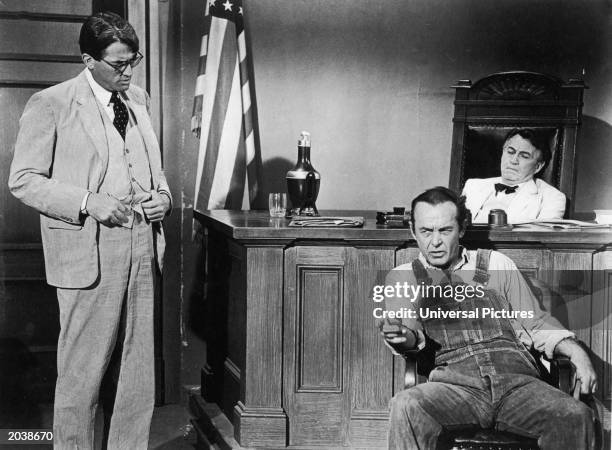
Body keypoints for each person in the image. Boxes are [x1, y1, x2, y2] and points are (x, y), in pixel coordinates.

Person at [8, 12, 171, 449]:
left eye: (132, 60)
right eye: (118, 64)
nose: (128, 71)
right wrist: (87, 201)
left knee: (137, 374)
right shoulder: (52, 103)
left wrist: (164, 197)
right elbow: (23, 179)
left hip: (141, 246)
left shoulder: (139, 98)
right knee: (82, 375)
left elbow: (154, 168)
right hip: (88, 251)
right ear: (87, 60)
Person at [381, 187, 597, 450]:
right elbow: (408, 333)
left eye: (445, 230)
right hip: (455, 388)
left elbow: (538, 324)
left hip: (518, 386)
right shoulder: (403, 277)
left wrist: (578, 355)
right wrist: (404, 336)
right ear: (413, 231)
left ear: (461, 229)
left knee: (575, 415)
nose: (435, 241)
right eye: (426, 231)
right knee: (405, 406)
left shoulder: (498, 263)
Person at [462, 128, 566, 223]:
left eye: (524, 156)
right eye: (510, 152)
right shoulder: (472, 186)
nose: (513, 160)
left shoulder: (552, 198)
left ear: (538, 166)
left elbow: (545, 240)